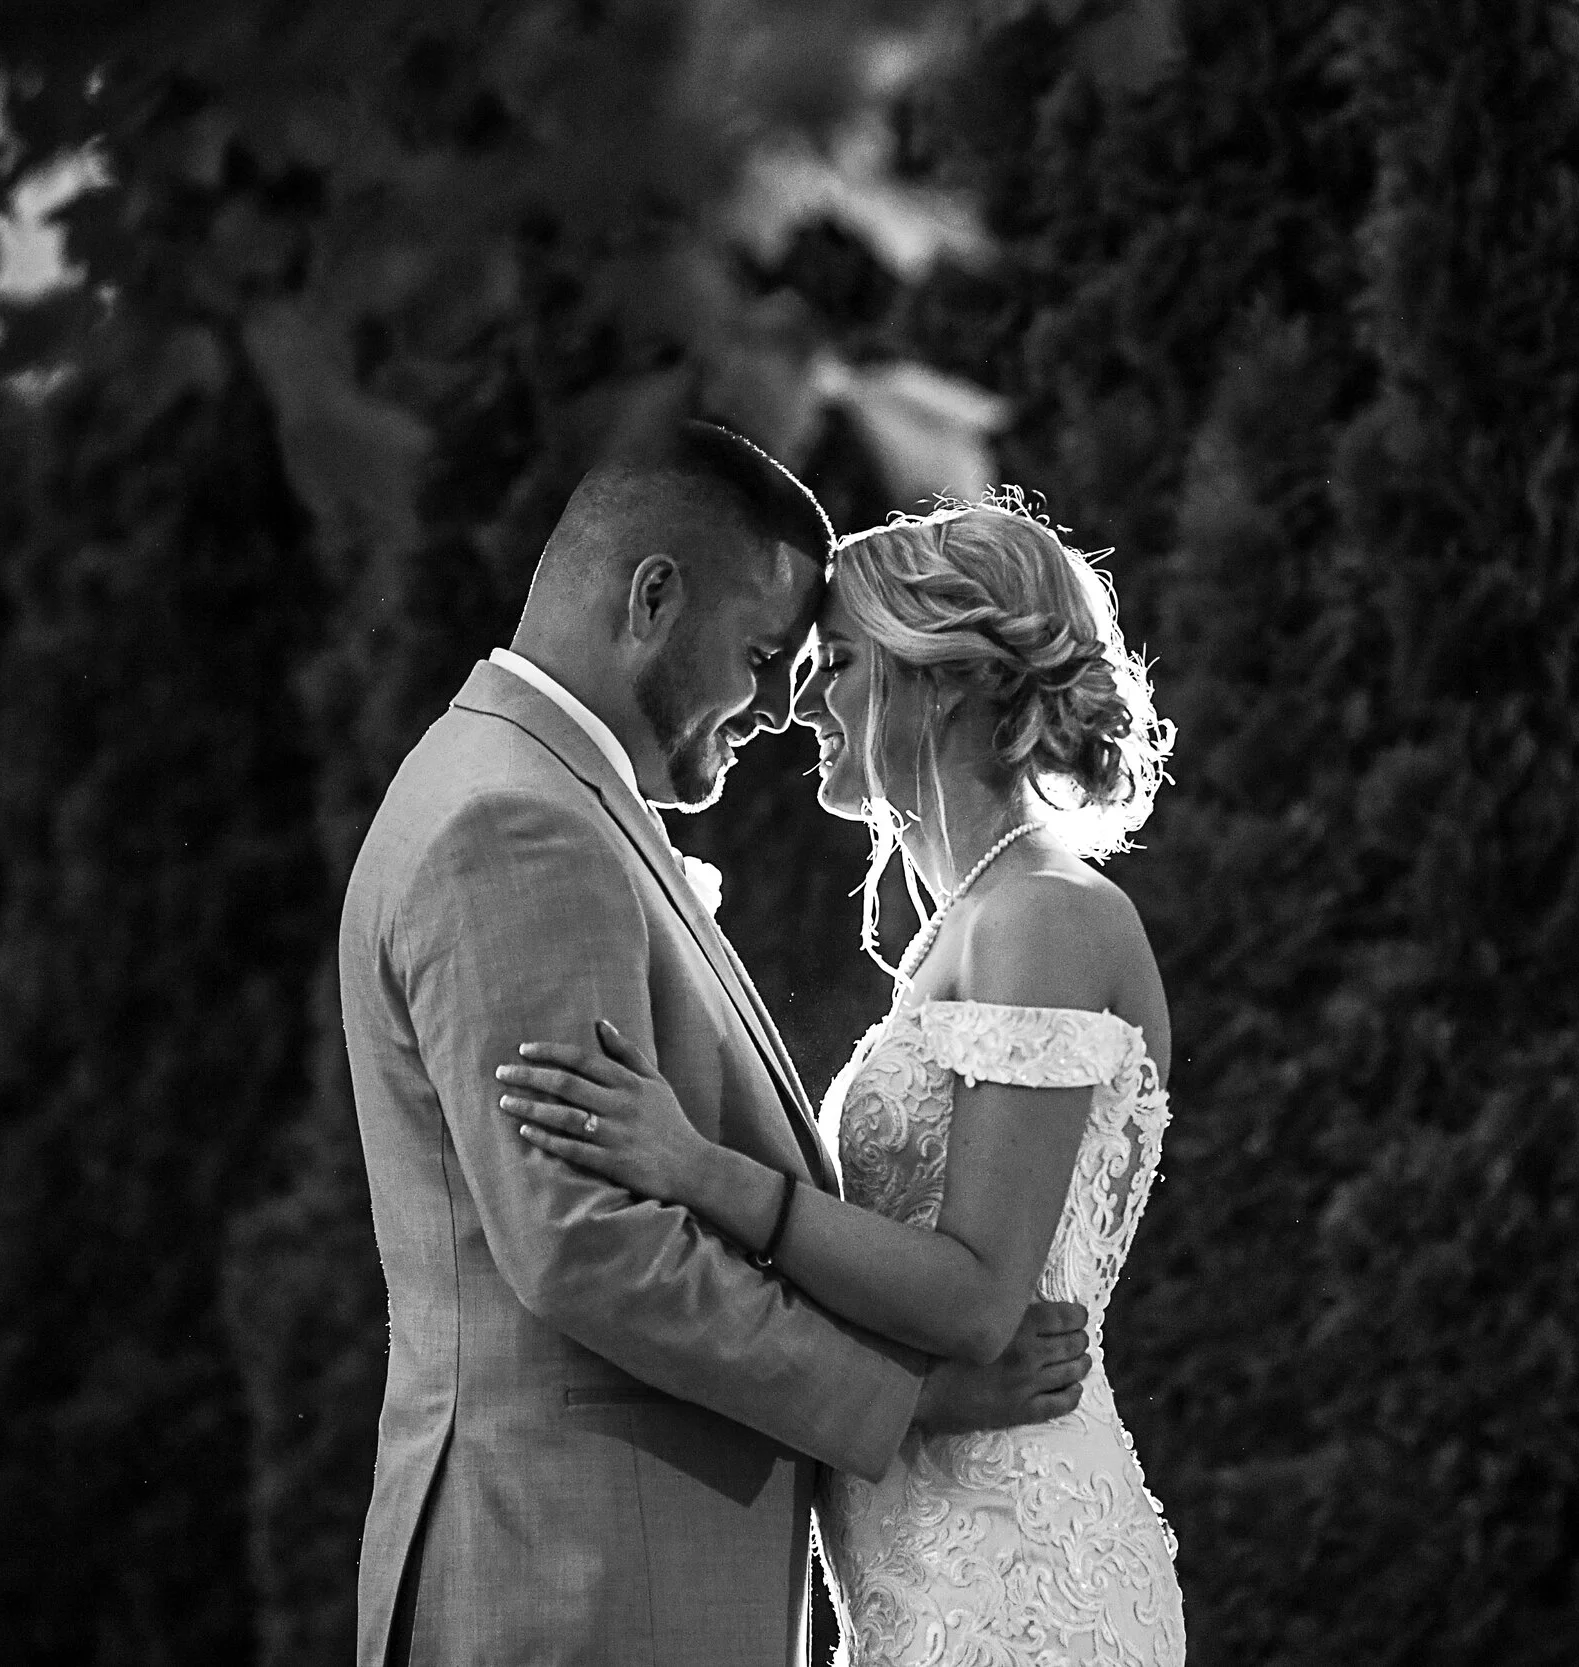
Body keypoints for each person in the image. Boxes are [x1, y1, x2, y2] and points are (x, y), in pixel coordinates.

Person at [340, 429, 1093, 1667]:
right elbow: (591, 1246)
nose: (776, 710)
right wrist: (904, 1406)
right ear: (651, 597)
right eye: (759, 659)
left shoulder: (530, 787)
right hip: (581, 1584)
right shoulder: (515, 823)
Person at [493, 496, 1187, 1665]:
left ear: (946, 681)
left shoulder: (1043, 918)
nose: (802, 702)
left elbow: (977, 1302)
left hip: (1015, 1579)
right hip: (923, 1567)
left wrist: (699, 1171)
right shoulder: (965, 931)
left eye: (839, 664)